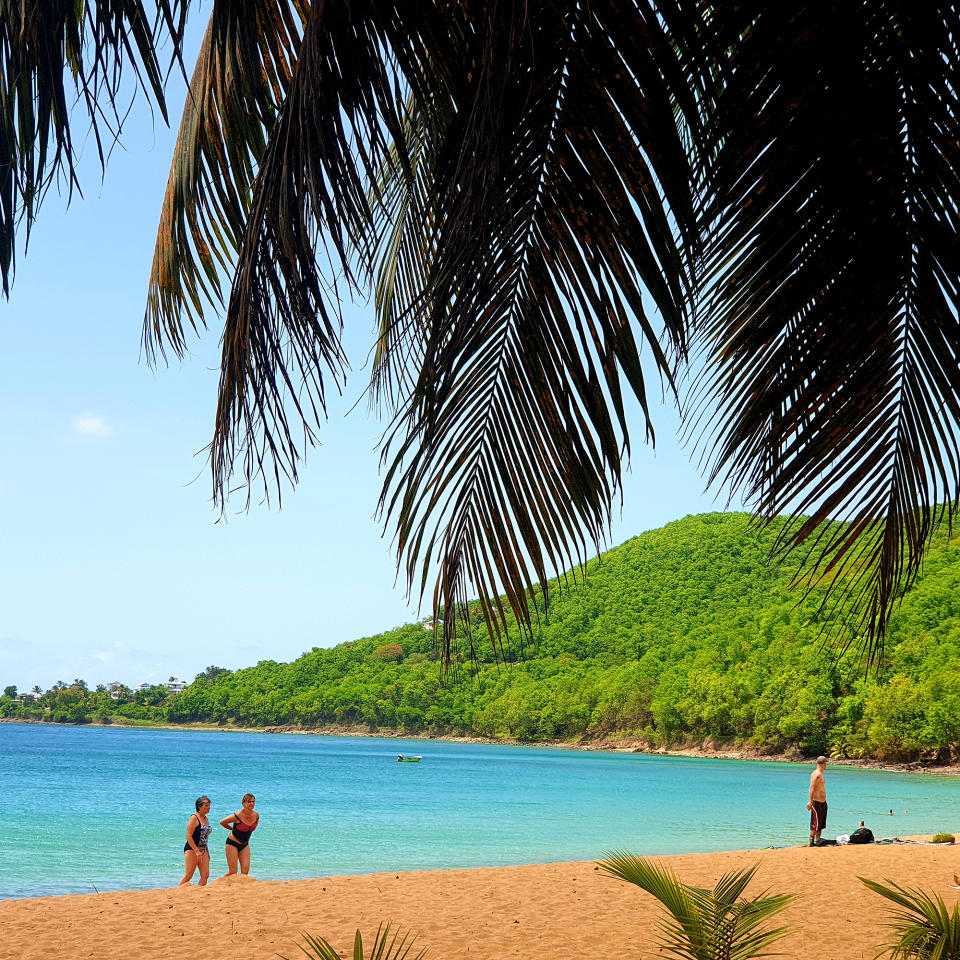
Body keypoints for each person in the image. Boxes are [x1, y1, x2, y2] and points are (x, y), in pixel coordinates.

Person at [221, 793, 259, 876]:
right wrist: (232, 829)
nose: (252, 804)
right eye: (249, 802)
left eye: (253, 801)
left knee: (245, 873)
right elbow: (222, 822)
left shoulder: (256, 815)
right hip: (232, 843)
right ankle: (219, 884)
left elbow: (253, 827)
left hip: (245, 844)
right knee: (233, 872)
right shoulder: (238, 815)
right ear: (243, 803)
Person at [179, 796, 212, 886]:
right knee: (189, 874)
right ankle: (177, 892)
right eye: (206, 806)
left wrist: (207, 852)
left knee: (205, 875)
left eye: (209, 806)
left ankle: (199, 893)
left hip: (203, 849)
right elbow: (188, 836)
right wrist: (196, 851)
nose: (208, 808)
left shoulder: (206, 818)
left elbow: (205, 837)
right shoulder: (194, 818)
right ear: (199, 807)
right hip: (192, 849)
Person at [806, 756, 828, 847]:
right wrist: (810, 802)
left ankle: (818, 840)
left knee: (821, 823)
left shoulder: (820, 774)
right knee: (815, 823)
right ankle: (811, 841)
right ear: (824, 764)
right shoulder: (817, 774)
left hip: (822, 802)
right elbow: (812, 788)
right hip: (816, 802)